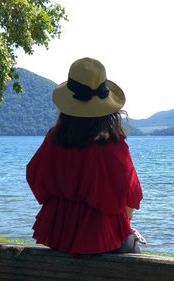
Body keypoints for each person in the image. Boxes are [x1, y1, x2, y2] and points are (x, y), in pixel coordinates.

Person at [26, 57, 143, 255]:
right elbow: (129, 195)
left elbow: (35, 177)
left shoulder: (54, 138)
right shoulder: (113, 145)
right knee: (134, 254)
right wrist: (125, 227)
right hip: (103, 235)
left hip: (59, 233)